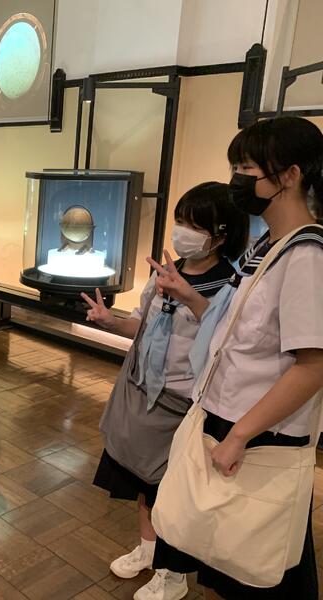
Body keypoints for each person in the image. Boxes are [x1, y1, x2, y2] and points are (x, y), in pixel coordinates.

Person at [149, 116, 323, 599]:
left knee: (255, 557)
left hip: (261, 431)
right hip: (227, 415)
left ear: (290, 175)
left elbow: (313, 365)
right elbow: (240, 332)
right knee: (224, 549)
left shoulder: (308, 255)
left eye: (247, 167)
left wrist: (240, 434)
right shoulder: (270, 245)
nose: (237, 179)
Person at [83, 181, 249, 600]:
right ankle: (148, 550)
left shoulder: (231, 286)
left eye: (194, 225)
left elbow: (225, 341)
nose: (182, 231)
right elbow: (141, 323)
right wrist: (109, 320)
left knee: (175, 496)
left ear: (221, 235)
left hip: (185, 404)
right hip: (143, 394)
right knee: (144, 485)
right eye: (179, 220)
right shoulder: (164, 272)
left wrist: (189, 297)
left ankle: (173, 576)